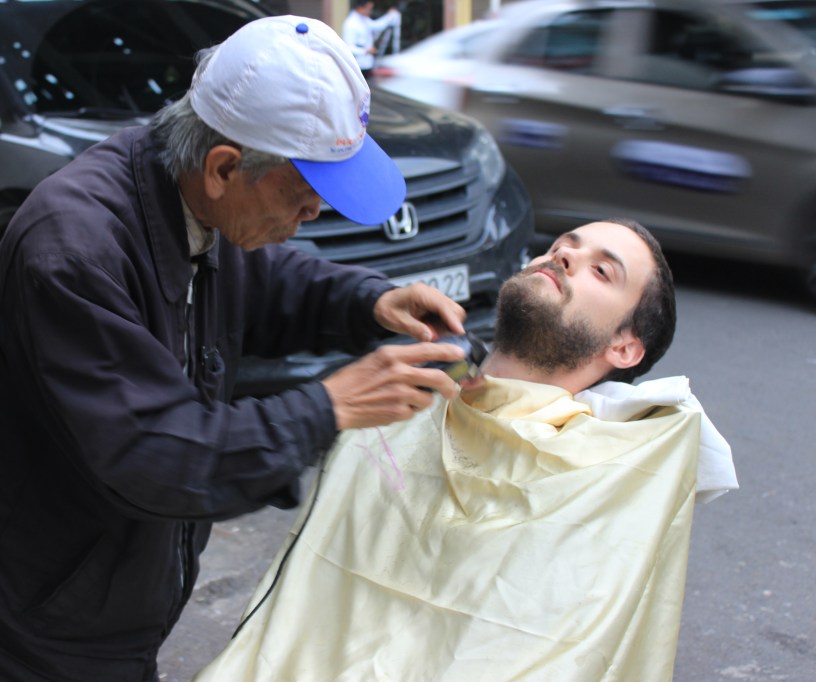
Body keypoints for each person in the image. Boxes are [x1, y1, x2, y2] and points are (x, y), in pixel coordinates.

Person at [0, 15, 475, 682]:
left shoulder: (186, 191)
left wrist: (368, 300)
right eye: (305, 198)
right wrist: (327, 407)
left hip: (110, 583)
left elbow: (266, 278)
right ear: (223, 167)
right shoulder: (72, 252)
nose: (313, 216)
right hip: (38, 605)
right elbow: (156, 451)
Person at [194, 219, 739, 681]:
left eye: (602, 270)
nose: (565, 256)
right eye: (562, 245)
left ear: (624, 346)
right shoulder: (401, 398)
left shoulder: (605, 474)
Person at [342, 0, 401, 77]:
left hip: (367, 64)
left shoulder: (364, 19)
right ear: (360, 8)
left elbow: (377, 26)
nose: (370, 11)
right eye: (368, 9)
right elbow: (348, 47)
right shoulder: (351, 23)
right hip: (358, 65)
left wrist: (389, 16)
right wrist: (365, 51)